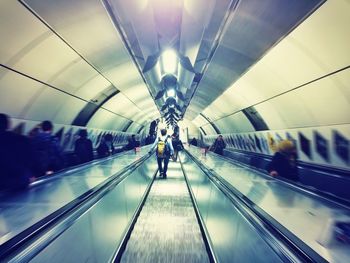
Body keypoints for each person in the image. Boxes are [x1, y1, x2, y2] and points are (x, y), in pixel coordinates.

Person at [0, 113, 35, 191]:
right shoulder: (22, 140)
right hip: (19, 182)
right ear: (8, 125)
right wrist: (31, 174)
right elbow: (31, 159)